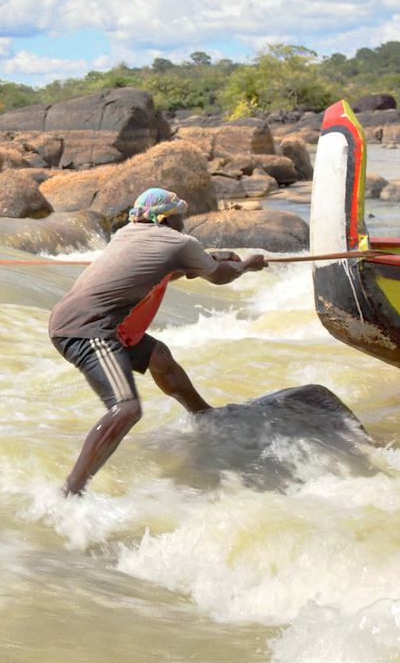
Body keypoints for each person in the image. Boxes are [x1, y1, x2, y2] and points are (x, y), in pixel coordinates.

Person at [48, 188, 266, 496]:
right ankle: (71, 492)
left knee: (158, 356)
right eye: (179, 216)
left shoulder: (127, 234)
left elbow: (157, 269)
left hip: (87, 323)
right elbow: (219, 277)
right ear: (165, 219)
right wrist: (247, 266)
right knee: (127, 409)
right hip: (87, 329)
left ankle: (205, 417)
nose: (183, 223)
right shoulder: (180, 242)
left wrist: (208, 259)